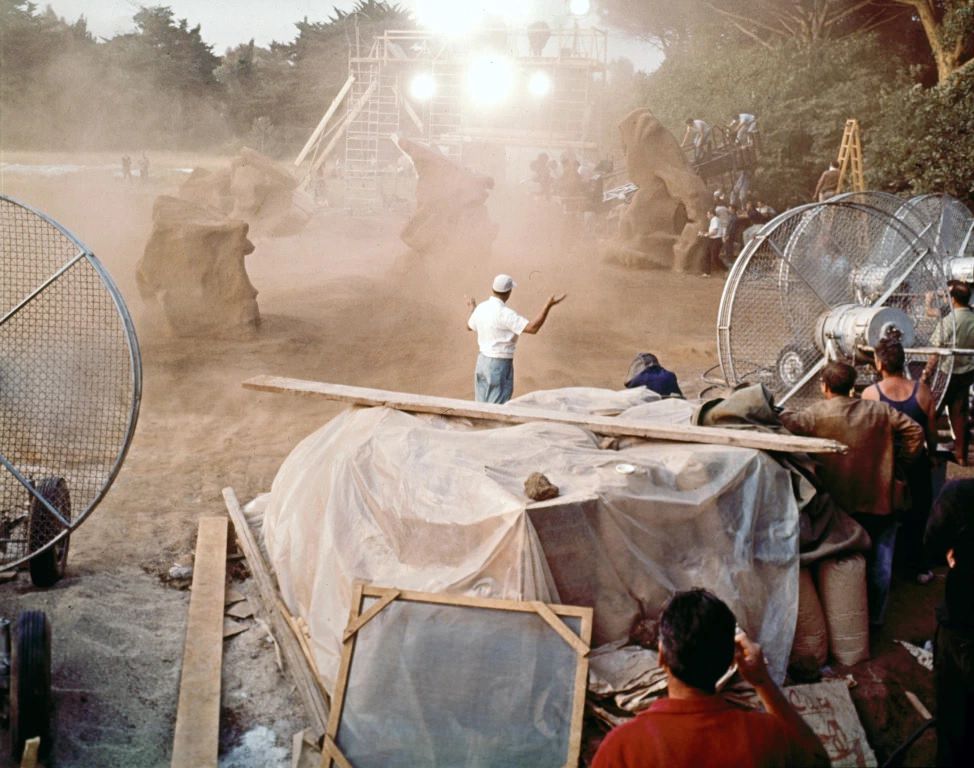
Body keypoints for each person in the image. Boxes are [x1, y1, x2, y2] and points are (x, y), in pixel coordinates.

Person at [592, 589, 829, 768]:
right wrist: (762, 682)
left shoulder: (622, 747)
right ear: (729, 663)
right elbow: (819, 761)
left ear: (662, 656)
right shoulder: (766, 736)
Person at [780, 361, 925, 626]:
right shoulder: (879, 410)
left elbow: (783, 426)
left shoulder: (813, 416)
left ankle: (847, 620)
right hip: (881, 498)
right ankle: (875, 620)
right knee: (881, 564)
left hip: (839, 504)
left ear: (824, 386)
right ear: (852, 386)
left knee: (839, 566)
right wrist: (899, 462)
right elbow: (916, 430)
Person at [863, 333, 937, 583]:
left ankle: (887, 568)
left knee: (888, 517)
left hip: (887, 466)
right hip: (917, 463)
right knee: (918, 514)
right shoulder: (923, 392)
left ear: (880, 364)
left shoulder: (871, 395)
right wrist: (934, 455)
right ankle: (918, 566)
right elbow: (932, 433)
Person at [924, 479, 974, 767]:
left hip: (963, 627)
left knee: (955, 722)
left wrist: (952, 553)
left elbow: (932, 545)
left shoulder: (960, 495)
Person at [466, 274, 565, 404]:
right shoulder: (505, 313)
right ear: (509, 292)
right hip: (499, 364)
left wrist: (472, 307)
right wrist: (548, 305)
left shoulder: (481, 308)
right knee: (497, 407)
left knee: (480, 404)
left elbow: (469, 326)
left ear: (493, 289)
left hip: (482, 362)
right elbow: (533, 328)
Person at [923, 281, 974, 466]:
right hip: (967, 372)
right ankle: (961, 456)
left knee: (932, 409)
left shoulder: (949, 321)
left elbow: (936, 349)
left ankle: (930, 450)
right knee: (959, 412)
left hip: (947, 372)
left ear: (953, 299)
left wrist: (926, 373)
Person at [700, 209, 723, 277]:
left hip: (716, 240)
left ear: (712, 214)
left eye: (708, 214)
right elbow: (712, 232)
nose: (707, 216)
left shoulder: (715, 219)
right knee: (707, 255)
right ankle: (707, 273)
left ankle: (725, 269)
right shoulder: (713, 220)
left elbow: (714, 232)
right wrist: (704, 233)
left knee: (714, 257)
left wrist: (705, 235)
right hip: (712, 240)